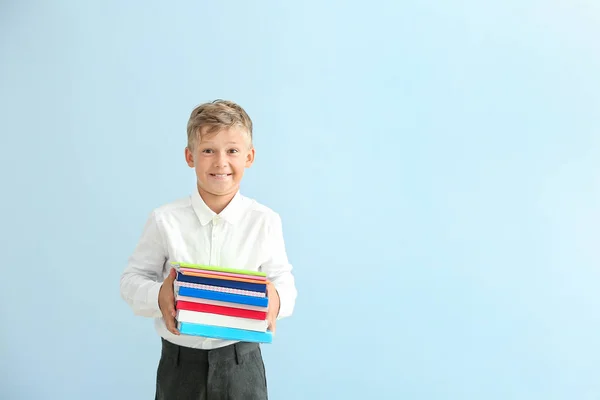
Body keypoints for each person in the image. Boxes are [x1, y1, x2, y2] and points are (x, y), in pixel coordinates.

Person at [120, 99, 297, 399]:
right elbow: (131, 280)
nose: (220, 162)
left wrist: (276, 299)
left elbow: (284, 280)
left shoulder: (265, 221)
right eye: (208, 150)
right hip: (180, 366)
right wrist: (159, 295)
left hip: (242, 364)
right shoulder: (165, 220)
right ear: (190, 156)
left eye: (232, 151)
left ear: (249, 157)